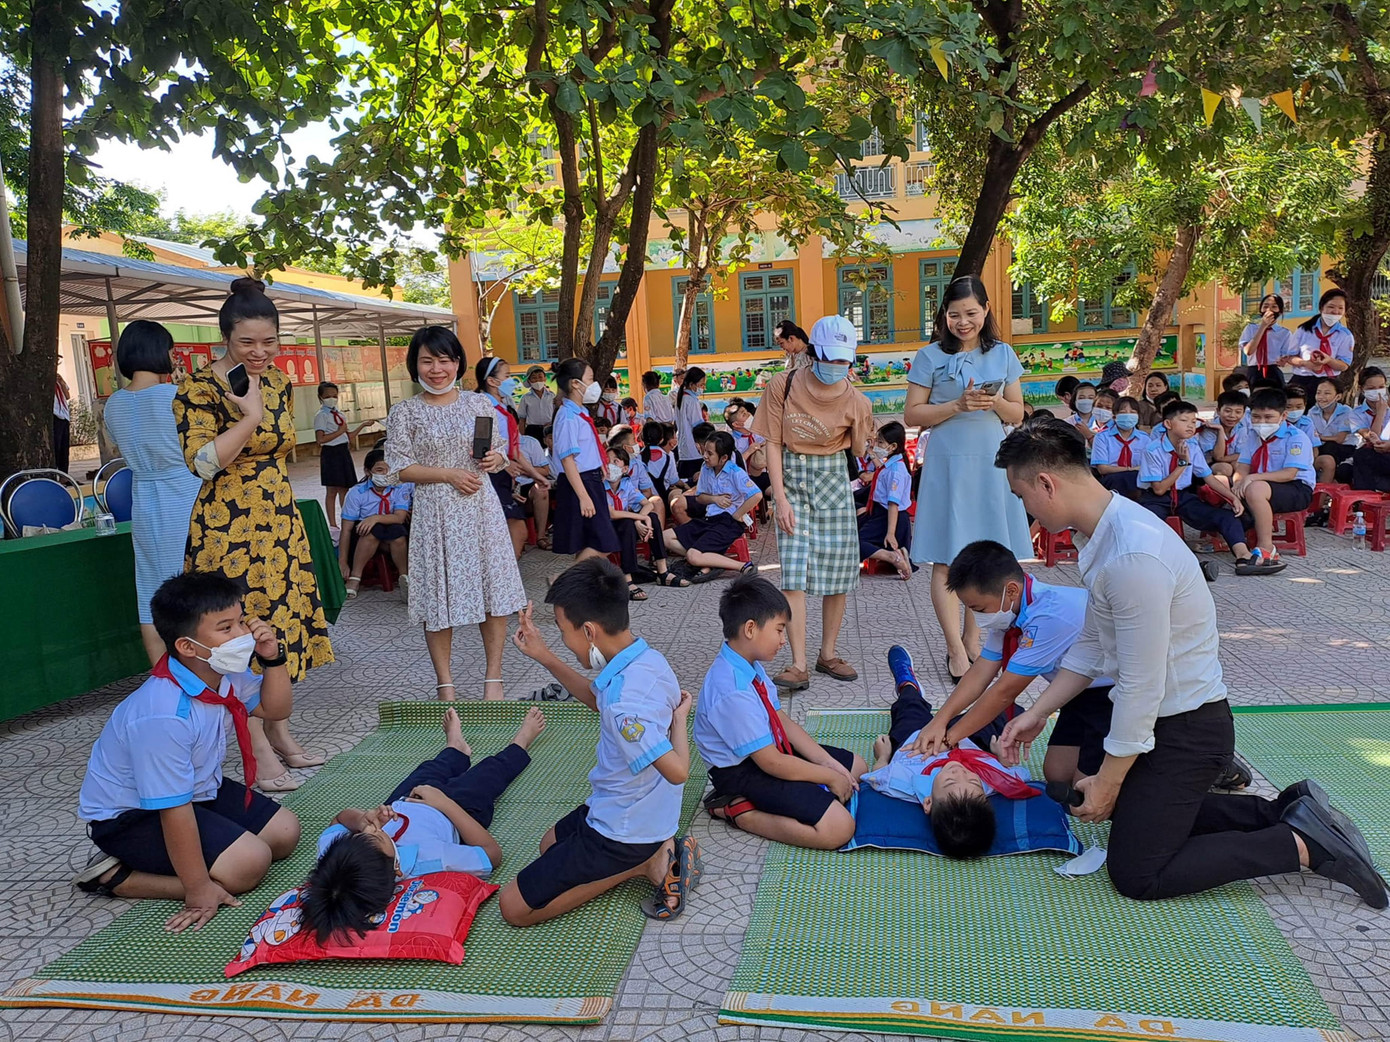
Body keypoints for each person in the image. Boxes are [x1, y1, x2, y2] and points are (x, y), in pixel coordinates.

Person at [994, 422, 1386, 907]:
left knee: (1137, 873)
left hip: (1187, 729)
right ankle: (1287, 811)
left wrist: (1110, 780)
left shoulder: (1132, 554)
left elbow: (1141, 684)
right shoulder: (1105, 534)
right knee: (1134, 819)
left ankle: (1299, 844)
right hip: (1166, 720)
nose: (1023, 507)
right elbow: (1093, 646)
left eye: (1021, 494)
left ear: (1047, 483)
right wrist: (1036, 714)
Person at [73, 572, 302, 931]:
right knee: (248, 865)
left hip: (195, 788)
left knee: (285, 832)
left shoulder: (221, 674)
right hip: (131, 817)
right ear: (187, 647)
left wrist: (273, 659)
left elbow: (276, 710)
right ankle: (117, 876)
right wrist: (197, 890)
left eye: (241, 621)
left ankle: (203, 857)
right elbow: (171, 808)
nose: (244, 635)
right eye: (226, 628)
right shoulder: (162, 713)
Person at [174, 277, 328, 790]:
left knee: (278, 628)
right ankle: (255, 749)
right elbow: (202, 462)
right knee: (238, 633)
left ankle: (278, 731)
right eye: (247, 343)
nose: (260, 353)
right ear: (225, 339)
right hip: (228, 527)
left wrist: (264, 406)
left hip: (278, 521)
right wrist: (251, 416)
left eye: (269, 342)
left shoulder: (281, 380)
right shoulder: (198, 387)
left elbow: (283, 445)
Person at [503, 559, 699, 925]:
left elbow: (678, 771)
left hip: (625, 828)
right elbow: (599, 700)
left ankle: (643, 862)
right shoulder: (644, 658)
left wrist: (680, 722)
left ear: (589, 631)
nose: (562, 638)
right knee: (549, 845)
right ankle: (649, 854)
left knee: (513, 908)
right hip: (633, 807)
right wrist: (544, 655)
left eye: (562, 631)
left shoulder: (627, 704)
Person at [302, 707, 545, 943]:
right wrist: (444, 803)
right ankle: (520, 743)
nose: (371, 829)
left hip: (404, 801)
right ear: (396, 869)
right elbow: (492, 854)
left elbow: (339, 819)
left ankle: (456, 748)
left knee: (431, 769)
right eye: (375, 835)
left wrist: (362, 818)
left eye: (358, 834)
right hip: (455, 810)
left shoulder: (333, 861)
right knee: (490, 773)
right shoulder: (433, 858)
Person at [897, 542, 1115, 787]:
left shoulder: (1050, 616)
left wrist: (949, 740)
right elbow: (981, 670)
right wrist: (939, 721)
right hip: (1075, 693)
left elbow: (1004, 691)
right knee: (1057, 774)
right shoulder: (1013, 609)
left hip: (1111, 694)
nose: (978, 616)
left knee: (1086, 790)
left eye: (978, 608)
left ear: (1010, 590)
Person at [384, 326, 526, 701]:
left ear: (458, 364)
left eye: (444, 360)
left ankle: (492, 679)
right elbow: (399, 467)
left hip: (480, 508)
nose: (436, 369)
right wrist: (447, 475)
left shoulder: (479, 405)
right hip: (435, 514)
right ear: (414, 364)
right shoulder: (404, 413)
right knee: (436, 597)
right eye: (427, 360)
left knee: (493, 591)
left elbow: (497, 452)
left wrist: (497, 459)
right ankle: (445, 684)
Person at [904, 275, 1030, 685]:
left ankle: (973, 638)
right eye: (955, 314)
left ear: (986, 311)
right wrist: (956, 404)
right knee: (947, 558)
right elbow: (912, 415)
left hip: (990, 462)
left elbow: (1017, 414)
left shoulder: (1004, 354)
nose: (963, 322)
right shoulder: (929, 356)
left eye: (971, 313)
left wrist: (993, 401)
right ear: (944, 316)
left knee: (986, 554)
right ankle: (955, 649)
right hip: (947, 463)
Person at [751, 315, 876, 691]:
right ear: (814, 351)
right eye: (830, 358)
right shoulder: (782, 385)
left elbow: (857, 448)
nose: (836, 366)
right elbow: (772, 441)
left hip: (833, 478)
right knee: (795, 573)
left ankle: (829, 653)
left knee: (839, 571)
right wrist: (780, 498)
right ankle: (799, 662)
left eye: (844, 360)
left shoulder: (858, 400)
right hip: (791, 474)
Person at [695, 576, 866, 847]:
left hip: (767, 748)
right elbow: (771, 763)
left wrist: (827, 764)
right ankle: (738, 811)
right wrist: (829, 776)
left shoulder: (748, 663)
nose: (783, 640)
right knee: (839, 828)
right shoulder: (731, 691)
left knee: (857, 767)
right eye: (779, 630)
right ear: (750, 628)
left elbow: (780, 720)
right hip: (742, 771)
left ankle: (812, 785)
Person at [862, 645, 1036, 859]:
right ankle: (979, 697)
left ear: (928, 802)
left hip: (914, 740)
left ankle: (908, 684)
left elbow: (875, 777)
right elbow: (1019, 775)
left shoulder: (901, 784)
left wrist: (883, 755)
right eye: (974, 782)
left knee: (909, 708)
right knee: (1006, 715)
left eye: (950, 782)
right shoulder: (991, 784)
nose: (960, 772)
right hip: (966, 737)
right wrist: (1001, 757)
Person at [100, 320, 205, 666]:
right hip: (186, 492)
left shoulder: (113, 404)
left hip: (144, 498)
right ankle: (204, 672)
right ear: (159, 351)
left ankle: (162, 676)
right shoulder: (177, 396)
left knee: (150, 589)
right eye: (172, 350)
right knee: (198, 587)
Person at [1138, 400, 1260, 574]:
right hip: (1156, 498)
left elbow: (1208, 477)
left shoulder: (1192, 446)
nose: (1190, 426)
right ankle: (1170, 567)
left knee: (1226, 517)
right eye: (1184, 421)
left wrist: (1232, 497)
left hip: (1183, 496)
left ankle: (1244, 557)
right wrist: (1182, 463)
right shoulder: (1153, 449)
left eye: (1194, 422)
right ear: (1168, 424)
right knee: (1149, 530)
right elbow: (1159, 489)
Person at [1233, 386, 1316, 572]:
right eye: (1256, 417)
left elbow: (1289, 474)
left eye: (1268, 417)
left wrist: (1251, 479)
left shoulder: (1296, 438)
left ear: (1283, 416)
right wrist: (1237, 483)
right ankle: (1234, 543)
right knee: (1221, 485)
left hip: (1296, 488)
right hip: (1263, 485)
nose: (1261, 422)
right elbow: (1242, 466)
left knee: (1255, 489)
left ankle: (1267, 548)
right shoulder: (1253, 436)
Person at [549, 356, 623, 565]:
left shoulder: (580, 412)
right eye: (590, 380)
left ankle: (578, 591)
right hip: (579, 484)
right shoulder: (567, 416)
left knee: (588, 540)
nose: (594, 386)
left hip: (591, 480)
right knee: (604, 543)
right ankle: (563, 581)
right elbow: (568, 460)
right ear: (575, 383)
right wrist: (583, 496)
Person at [477, 356, 550, 559]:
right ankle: (502, 579)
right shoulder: (482, 407)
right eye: (507, 376)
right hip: (489, 478)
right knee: (516, 531)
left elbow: (515, 451)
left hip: (502, 478)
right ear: (492, 381)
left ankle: (503, 579)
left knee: (514, 532)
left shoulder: (503, 408)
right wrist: (503, 463)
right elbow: (480, 448)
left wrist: (537, 475)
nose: (512, 380)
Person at [664, 431, 760, 583]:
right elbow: (700, 498)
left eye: (710, 453)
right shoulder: (706, 468)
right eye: (705, 451)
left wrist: (737, 514)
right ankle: (710, 561)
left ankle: (743, 566)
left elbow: (756, 495)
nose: (705, 456)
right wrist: (714, 499)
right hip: (709, 518)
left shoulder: (736, 472)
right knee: (665, 537)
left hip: (729, 522)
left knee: (692, 556)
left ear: (723, 458)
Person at [605, 445, 686, 592]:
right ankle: (627, 579)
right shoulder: (600, 486)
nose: (610, 465)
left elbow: (647, 503)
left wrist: (640, 520)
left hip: (625, 526)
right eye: (607, 461)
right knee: (627, 524)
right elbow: (613, 514)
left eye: (615, 461)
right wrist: (638, 519)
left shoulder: (626, 484)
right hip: (607, 530)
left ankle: (662, 571)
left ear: (625, 469)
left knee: (653, 517)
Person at [339, 449, 413, 600]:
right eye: (380, 470)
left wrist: (375, 518)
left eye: (389, 469)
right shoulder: (356, 493)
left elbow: (399, 517)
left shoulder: (399, 488)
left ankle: (405, 578)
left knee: (398, 533)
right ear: (367, 471)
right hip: (363, 536)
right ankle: (355, 577)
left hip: (391, 533)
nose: (385, 474)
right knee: (372, 532)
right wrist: (343, 561)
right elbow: (346, 530)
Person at [857, 421, 914, 579]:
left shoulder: (896, 472)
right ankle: (893, 555)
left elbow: (893, 504)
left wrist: (890, 533)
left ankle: (894, 557)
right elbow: (880, 468)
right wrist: (871, 452)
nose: (877, 445)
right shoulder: (891, 463)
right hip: (878, 513)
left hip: (889, 518)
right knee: (849, 531)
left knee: (854, 544)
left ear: (893, 446)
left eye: (880, 442)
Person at [1279, 289, 1354, 401]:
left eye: (1340, 308)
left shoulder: (1345, 335)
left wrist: (1328, 360)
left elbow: (1344, 365)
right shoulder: (1303, 330)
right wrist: (1307, 364)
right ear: (1321, 308)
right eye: (1331, 307)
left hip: (1328, 382)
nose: (1335, 311)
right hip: (1302, 380)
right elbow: (1290, 357)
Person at [314, 381, 360, 529]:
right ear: (320, 397)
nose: (331, 399)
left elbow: (348, 435)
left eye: (334, 395)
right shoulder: (321, 415)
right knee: (332, 490)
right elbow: (320, 439)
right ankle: (333, 525)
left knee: (344, 489)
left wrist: (362, 426)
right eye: (327, 396)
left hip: (343, 452)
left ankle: (347, 520)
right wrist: (339, 432)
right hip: (331, 453)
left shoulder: (340, 414)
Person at [1089, 396, 1149, 498]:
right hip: (1112, 481)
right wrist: (1130, 469)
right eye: (1123, 412)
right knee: (1125, 478)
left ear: (1138, 416)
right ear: (1114, 416)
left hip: (1137, 481)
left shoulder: (1145, 439)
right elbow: (1102, 469)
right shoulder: (1102, 437)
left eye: (1132, 412)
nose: (1128, 415)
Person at [1308, 377, 1357, 485]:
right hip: (1322, 447)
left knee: (1330, 447)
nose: (1321, 397)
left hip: (1344, 448)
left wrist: (1320, 437)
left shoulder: (1346, 411)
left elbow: (1340, 439)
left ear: (1338, 396)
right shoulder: (1312, 412)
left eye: (1327, 393)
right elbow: (1310, 434)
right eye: (1318, 393)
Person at [1198, 390, 1252, 484]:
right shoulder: (1209, 428)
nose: (1232, 416)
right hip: (1211, 463)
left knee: (1240, 466)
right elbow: (1217, 457)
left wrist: (1224, 459)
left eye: (1238, 412)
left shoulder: (1242, 428)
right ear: (1218, 411)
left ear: (1243, 413)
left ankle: (1239, 491)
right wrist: (1220, 431)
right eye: (1228, 411)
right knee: (1225, 469)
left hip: (1232, 460)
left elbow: (1241, 454)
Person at [1239, 293, 1291, 386]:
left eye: (1274, 307)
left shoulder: (1284, 333)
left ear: (1280, 311)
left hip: (1273, 371)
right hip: (1254, 371)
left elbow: (1286, 357)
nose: (1268, 310)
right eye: (1265, 306)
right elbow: (1248, 351)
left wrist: (1284, 360)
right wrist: (1263, 326)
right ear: (1260, 310)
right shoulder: (1250, 328)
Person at [673, 367, 708, 482]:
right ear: (692, 384)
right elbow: (698, 427)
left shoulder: (682, 397)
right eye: (701, 385)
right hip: (694, 450)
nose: (703, 388)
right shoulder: (691, 401)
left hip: (684, 449)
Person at [516, 366, 556, 441]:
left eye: (540, 377)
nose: (537, 380)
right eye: (534, 378)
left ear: (545, 379)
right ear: (529, 381)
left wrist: (552, 424)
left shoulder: (552, 396)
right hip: (532, 430)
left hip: (549, 429)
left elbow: (556, 414)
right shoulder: (526, 398)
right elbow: (522, 420)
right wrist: (522, 437)